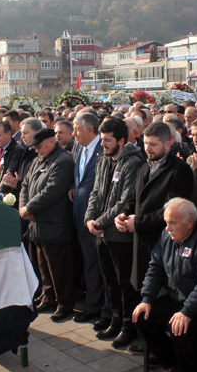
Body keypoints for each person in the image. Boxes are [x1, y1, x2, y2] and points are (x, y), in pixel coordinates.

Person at [133, 198, 197, 372]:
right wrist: (146, 298)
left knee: (180, 328)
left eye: (173, 223)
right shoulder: (166, 236)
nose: (168, 228)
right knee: (143, 318)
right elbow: (155, 267)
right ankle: (171, 364)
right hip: (175, 297)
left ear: (189, 222)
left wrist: (187, 310)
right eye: (166, 222)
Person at [84, 117, 144, 348]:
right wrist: (90, 218)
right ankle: (116, 320)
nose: (102, 145)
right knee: (110, 281)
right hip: (101, 233)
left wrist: (99, 221)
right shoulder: (103, 160)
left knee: (124, 284)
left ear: (121, 140)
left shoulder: (132, 163)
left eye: (107, 141)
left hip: (120, 235)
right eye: (101, 140)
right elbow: (96, 191)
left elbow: (125, 200)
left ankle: (130, 326)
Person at [118, 122, 194, 292]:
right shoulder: (144, 165)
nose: (148, 148)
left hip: (163, 244)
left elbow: (172, 211)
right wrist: (123, 214)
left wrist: (138, 222)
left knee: (159, 298)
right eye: (146, 143)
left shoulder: (180, 170)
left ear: (168, 144)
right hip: (141, 243)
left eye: (153, 144)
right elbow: (135, 197)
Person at [20, 128, 75, 321]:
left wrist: (30, 208)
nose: (37, 150)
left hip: (54, 224)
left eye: (40, 146)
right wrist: (24, 206)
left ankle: (64, 303)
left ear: (51, 141)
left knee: (59, 267)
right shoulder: (38, 160)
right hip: (37, 224)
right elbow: (25, 184)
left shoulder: (62, 161)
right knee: (43, 265)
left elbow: (53, 190)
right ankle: (49, 296)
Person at [70, 113, 110, 329]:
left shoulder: (103, 149)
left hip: (98, 219)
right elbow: (79, 178)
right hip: (80, 217)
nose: (73, 133)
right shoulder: (78, 148)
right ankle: (93, 306)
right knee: (90, 266)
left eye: (76, 129)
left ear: (90, 130)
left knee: (104, 267)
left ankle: (107, 310)